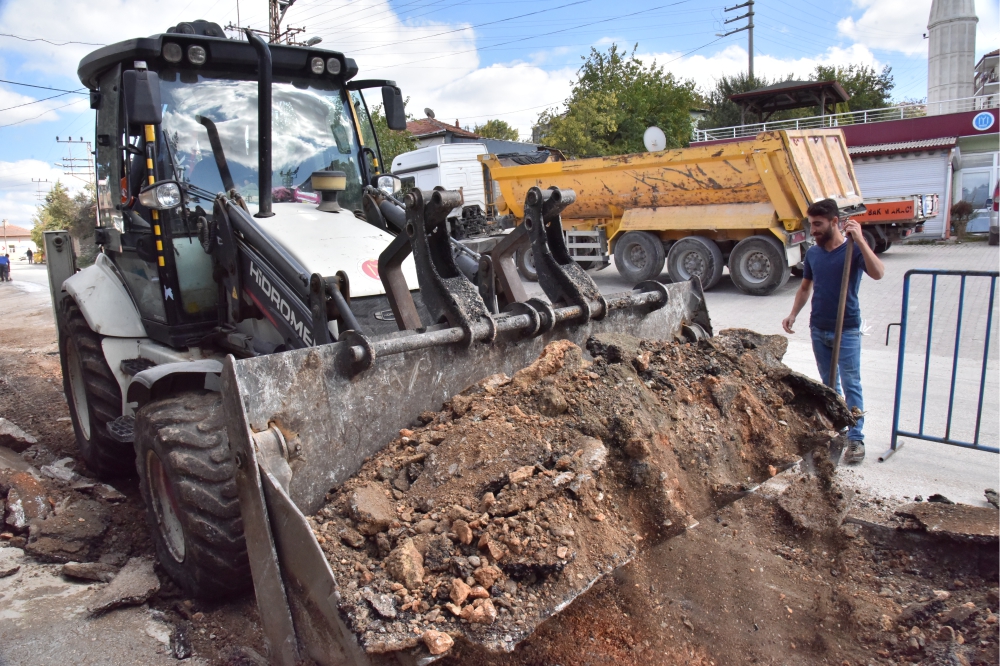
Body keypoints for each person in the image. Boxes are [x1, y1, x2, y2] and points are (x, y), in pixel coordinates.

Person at [782, 198, 885, 464]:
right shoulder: (814, 254)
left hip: (847, 328)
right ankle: (835, 432)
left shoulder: (852, 249)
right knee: (829, 385)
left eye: (818, 224)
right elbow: (805, 287)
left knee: (851, 383)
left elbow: (879, 273)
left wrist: (861, 240)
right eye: (811, 224)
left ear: (835, 222)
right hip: (819, 327)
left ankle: (856, 438)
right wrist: (793, 314)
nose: (812, 230)